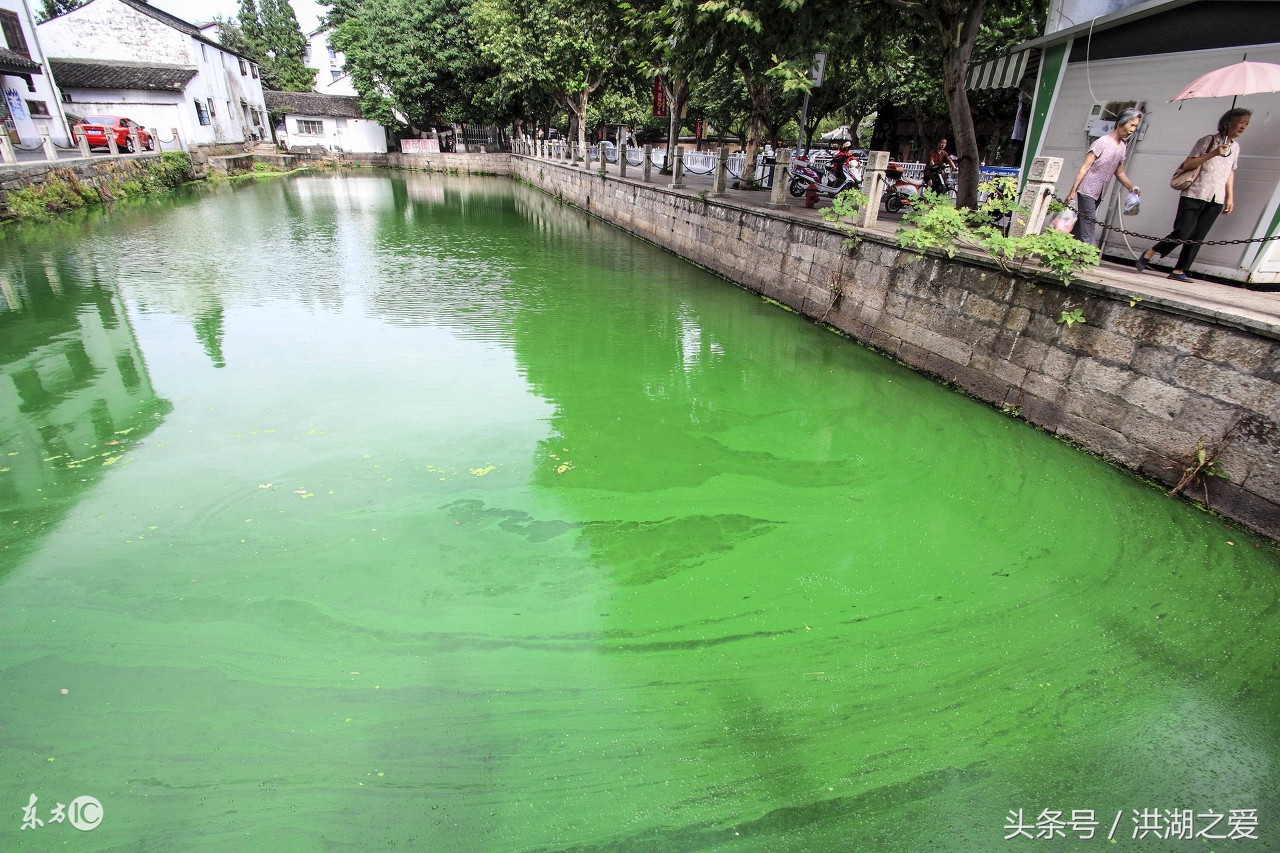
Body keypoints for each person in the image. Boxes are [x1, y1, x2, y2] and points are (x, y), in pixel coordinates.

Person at [1135, 108, 1251, 282]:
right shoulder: (1208, 140)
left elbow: (1230, 172)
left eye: (1247, 124)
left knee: (1197, 237)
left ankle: (1179, 270)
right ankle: (1150, 252)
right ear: (1227, 122)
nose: (1244, 126)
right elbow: (1188, 164)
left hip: (1216, 198)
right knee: (1183, 231)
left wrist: (1229, 197)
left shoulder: (1235, 147)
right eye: (1241, 122)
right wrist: (1213, 153)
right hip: (1195, 193)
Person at [1065, 108, 1143, 247]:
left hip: (1100, 191)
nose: (1133, 130)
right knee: (1089, 220)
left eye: (1135, 126)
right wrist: (1072, 191)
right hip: (1087, 188)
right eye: (1131, 125)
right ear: (1120, 123)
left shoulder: (1122, 146)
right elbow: (1085, 167)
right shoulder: (1102, 142)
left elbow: (1119, 172)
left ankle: (1065, 249)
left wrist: (1131, 187)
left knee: (1082, 222)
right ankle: (1091, 252)